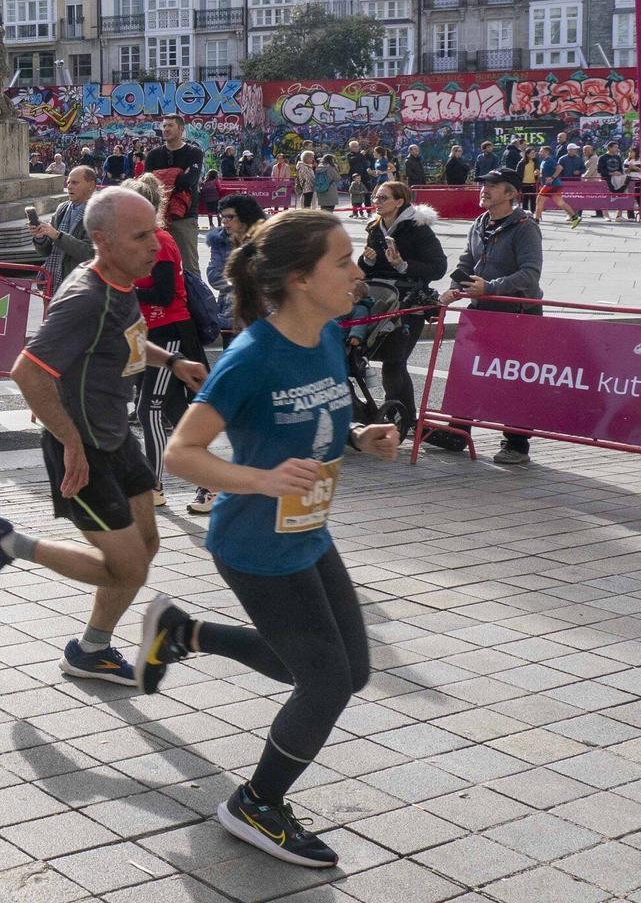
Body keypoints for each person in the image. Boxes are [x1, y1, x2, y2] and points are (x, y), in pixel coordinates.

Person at [146, 208, 403, 870]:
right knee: (324, 683)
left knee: (350, 671)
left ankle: (184, 634)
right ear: (297, 278)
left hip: (308, 529)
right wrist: (259, 479)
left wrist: (354, 438)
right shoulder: (252, 357)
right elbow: (181, 453)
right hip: (256, 544)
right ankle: (256, 803)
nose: (358, 271)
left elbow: (310, 420)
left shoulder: (325, 332)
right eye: (343, 261)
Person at [0, 186, 209, 685]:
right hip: (84, 447)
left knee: (145, 546)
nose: (155, 244)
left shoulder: (120, 283)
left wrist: (172, 361)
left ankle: (92, 649)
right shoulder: (87, 297)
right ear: (102, 240)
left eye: (155, 230)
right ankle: (9, 544)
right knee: (129, 567)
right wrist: (71, 443)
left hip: (115, 434)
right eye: (141, 235)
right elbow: (27, 372)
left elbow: (127, 340)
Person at [425, 167, 544, 463]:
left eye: (493, 186)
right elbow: (467, 261)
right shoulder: (480, 222)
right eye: (483, 184)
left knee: (515, 379)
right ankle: (457, 432)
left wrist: (490, 287)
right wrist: (454, 288)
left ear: (511, 193)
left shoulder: (524, 226)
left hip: (518, 313)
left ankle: (516, 444)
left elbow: (530, 274)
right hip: (481, 310)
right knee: (468, 372)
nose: (484, 190)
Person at [126, 174, 206, 511]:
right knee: (172, 409)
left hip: (168, 331)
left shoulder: (161, 241)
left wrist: (126, 287)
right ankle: (209, 483)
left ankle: (154, 485)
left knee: (149, 410)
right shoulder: (141, 241)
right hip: (146, 332)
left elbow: (161, 291)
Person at [358, 180, 446, 436]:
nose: (377, 201)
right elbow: (366, 269)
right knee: (367, 359)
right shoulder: (375, 227)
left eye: (383, 197)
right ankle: (388, 416)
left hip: (409, 303)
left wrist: (404, 266)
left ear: (399, 201)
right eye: (376, 196)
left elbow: (438, 267)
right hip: (379, 300)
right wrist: (367, 260)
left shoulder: (418, 228)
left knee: (394, 362)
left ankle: (405, 420)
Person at [147, 116, 205, 271]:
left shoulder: (194, 153)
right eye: (164, 126)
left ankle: (194, 296)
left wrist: (162, 177)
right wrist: (176, 174)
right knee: (156, 266)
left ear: (181, 129)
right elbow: (147, 184)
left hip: (185, 217)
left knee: (189, 267)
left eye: (170, 126)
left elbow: (188, 181)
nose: (165, 129)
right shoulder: (153, 155)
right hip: (157, 217)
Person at [206, 192, 266, 336]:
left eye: (230, 217)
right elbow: (213, 275)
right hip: (229, 312)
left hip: (264, 312)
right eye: (222, 217)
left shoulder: (265, 240)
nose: (224, 221)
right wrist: (244, 284)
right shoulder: (219, 241)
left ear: (245, 216)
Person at [30, 165, 96, 287]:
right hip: (54, 283)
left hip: (80, 286)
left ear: (91, 185)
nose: (69, 186)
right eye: (68, 182)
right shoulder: (63, 208)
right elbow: (46, 251)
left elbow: (90, 254)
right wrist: (40, 237)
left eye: (75, 183)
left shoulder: (98, 212)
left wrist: (57, 235)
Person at [534, 145, 581, 228]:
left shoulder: (550, 160)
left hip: (551, 185)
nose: (539, 152)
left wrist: (552, 177)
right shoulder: (544, 161)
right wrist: (539, 173)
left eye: (541, 151)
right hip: (555, 185)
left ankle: (536, 221)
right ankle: (575, 217)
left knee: (539, 199)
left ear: (546, 152)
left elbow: (560, 167)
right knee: (560, 202)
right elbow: (546, 172)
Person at [602, 143, 636, 219]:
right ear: (609, 148)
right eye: (615, 147)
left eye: (617, 147)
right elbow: (600, 170)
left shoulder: (618, 157)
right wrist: (611, 173)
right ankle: (606, 216)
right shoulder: (602, 158)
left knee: (621, 196)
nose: (617, 149)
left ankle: (619, 215)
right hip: (606, 180)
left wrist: (619, 172)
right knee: (607, 198)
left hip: (618, 180)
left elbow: (621, 169)